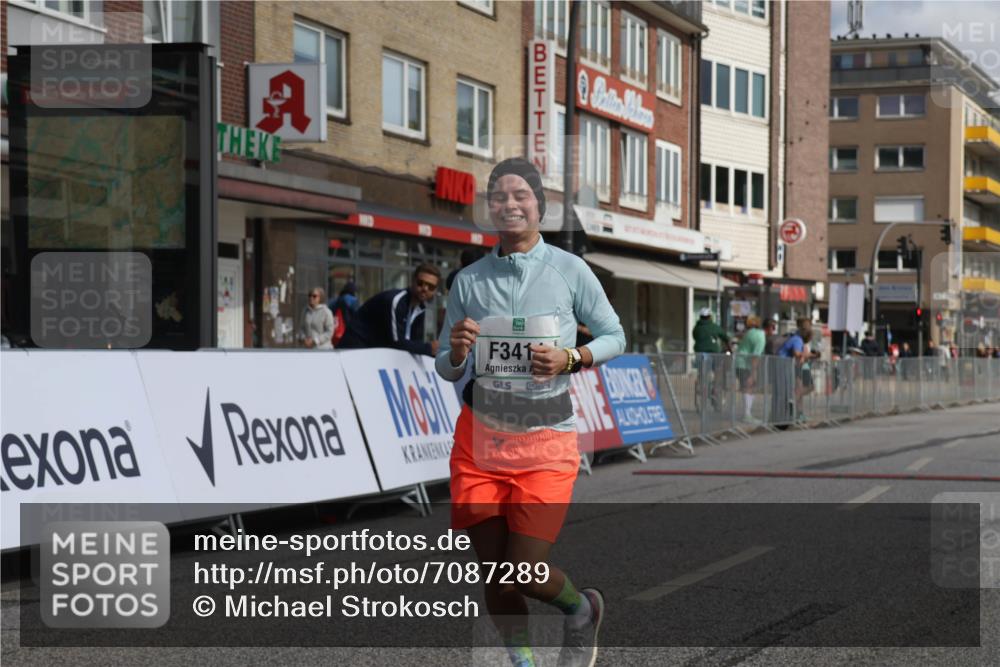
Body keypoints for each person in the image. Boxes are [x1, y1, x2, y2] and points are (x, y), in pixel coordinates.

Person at [436, 157, 625, 667]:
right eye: (498, 197)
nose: (509, 204)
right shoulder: (469, 281)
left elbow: (614, 335)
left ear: (540, 204)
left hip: (545, 438)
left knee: (522, 570)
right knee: (493, 573)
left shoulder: (569, 269)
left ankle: (580, 609)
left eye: (520, 195)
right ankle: (523, 662)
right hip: (479, 440)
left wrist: (572, 357)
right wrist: (455, 351)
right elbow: (446, 367)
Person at [338, 265, 441, 356]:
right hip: (354, 349)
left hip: (375, 353)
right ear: (412, 281)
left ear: (435, 291)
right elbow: (396, 341)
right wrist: (428, 348)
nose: (425, 289)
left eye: (431, 287)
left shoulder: (421, 308)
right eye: (420, 283)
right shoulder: (396, 301)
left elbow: (414, 342)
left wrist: (430, 351)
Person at [735, 315, 765, 423]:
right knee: (749, 387)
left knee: (749, 387)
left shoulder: (749, 333)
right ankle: (747, 415)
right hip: (745, 364)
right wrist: (753, 373)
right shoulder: (760, 336)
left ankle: (747, 414)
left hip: (739, 362)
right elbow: (755, 356)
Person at [327, 281, 360, 347]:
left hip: (334, 331)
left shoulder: (333, 301)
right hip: (347, 331)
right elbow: (357, 315)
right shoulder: (353, 300)